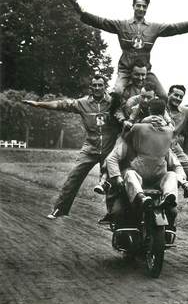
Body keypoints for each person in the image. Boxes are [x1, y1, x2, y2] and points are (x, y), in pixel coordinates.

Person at [72, 0, 188, 97]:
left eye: (144, 6)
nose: (141, 8)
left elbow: (173, 28)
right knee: (118, 92)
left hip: (145, 72)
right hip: (126, 69)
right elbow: (101, 22)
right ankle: (115, 123)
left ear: (147, 9)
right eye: (138, 5)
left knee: (163, 96)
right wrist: (82, 13)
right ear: (133, 6)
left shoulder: (154, 27)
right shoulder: (121, 25)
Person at [23, 74, 121, 219]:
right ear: (91, 87)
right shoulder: (82, 103)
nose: (97, 88)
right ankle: (59, 209)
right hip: (90, 148)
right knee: (73, 177)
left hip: (109, 148)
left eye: (100, 85)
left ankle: (112, 215)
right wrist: (38, 104)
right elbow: (61, 104)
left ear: (104, 86)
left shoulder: (113, 102)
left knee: (111, 180)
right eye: (94, 85)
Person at [106, 99, 187, 230]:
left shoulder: (139, 130)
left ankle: (168, 198)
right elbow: (112, 158)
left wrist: (181, 178)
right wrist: (117, 177)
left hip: (154, 180)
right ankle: (142, 198)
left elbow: (176, 165)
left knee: (171, 175)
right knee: (129, 178)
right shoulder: (167, 132)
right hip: (138, 179)